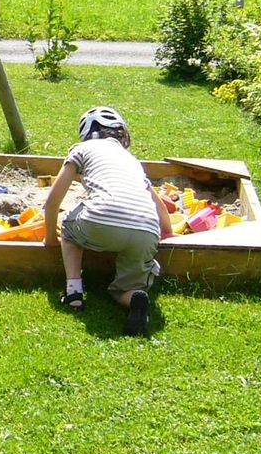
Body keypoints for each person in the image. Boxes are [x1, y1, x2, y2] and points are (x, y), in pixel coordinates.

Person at [43, 106, 171, 336]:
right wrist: (169, 233)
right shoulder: (131, 160)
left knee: (69, 225)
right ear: (120, 132)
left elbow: (52, 201)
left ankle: (74, 291)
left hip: (101, 221)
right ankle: (134, 299)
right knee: (125, 290)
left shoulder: (81, 149)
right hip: (147, 229)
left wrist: (50, 238)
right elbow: (159, 205)